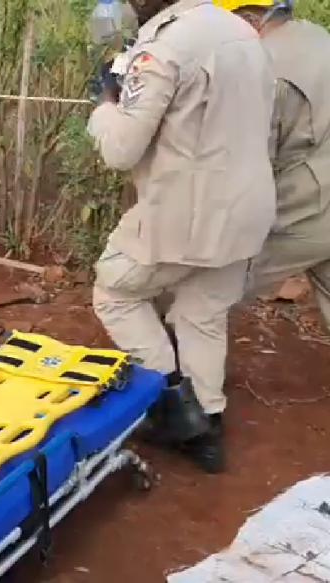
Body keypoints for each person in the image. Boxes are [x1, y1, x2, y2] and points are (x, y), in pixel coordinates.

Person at [86, 0, 276, 473]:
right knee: (201, 313)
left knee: (115, 292)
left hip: (188, 214)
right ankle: (208, 427)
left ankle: (175, 404)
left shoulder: (164, 44)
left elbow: (121, 149)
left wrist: (105, 105)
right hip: (247, 209)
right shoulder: (243, 34)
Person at [221, 0, 330, 332]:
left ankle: (189, 379)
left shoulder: (263, 67)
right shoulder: (317, 37)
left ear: (246, 19)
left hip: (307, 208)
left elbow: (250, 166)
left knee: (200, 292)